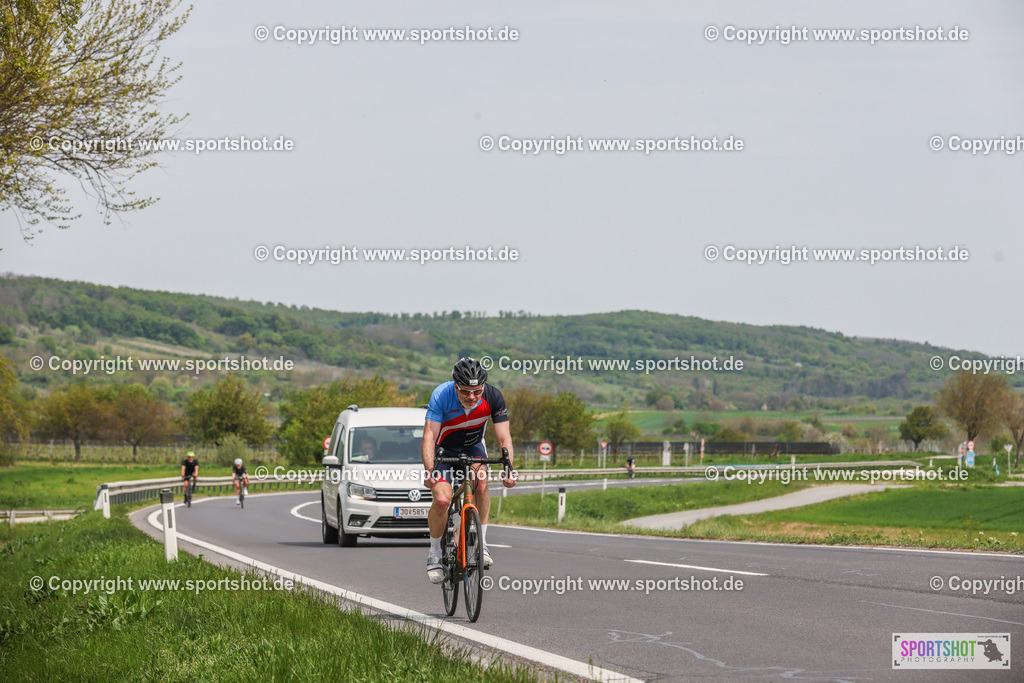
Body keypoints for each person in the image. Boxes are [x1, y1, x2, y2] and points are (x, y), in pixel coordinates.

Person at [422, 357, 516, 584]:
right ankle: (434, 553)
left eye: (477, 391)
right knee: (443, 500)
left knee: (481, 481)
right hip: (443, 450)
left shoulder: (493, 396)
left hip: (473, 447)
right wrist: (429, 469)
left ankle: (481, 545)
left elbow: (504, 437)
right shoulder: (442, 395)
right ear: (456, 386)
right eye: (465, 392)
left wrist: (509, 467)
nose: (472, 397)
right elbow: (429, 436)